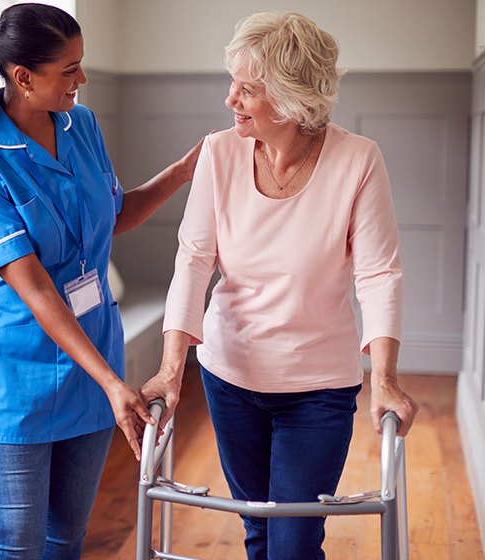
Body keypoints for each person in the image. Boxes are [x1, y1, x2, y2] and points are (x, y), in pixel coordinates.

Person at [138, 11, 419, 560]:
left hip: (318, 388)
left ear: (292, 100)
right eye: (232, 83)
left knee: (293, 542)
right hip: (229, 375)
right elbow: (194, 262)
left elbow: (379, 273)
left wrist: (383, 378)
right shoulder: (220, 153)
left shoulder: (358, 160)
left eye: (247, 89)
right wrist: (172, 371)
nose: (230, 99)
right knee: (259, 531)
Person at [0, 4, 202, 559]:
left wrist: (182, 172)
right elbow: (34, 287)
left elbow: (114, 215)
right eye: (69, 70)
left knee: (67, 540)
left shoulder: (81, 125)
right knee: (18, 547)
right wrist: (114, 383)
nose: (82, 80)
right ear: (23, 78)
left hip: (92, 369)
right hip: (18, 381)